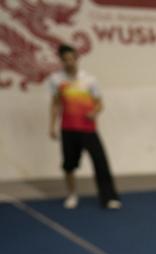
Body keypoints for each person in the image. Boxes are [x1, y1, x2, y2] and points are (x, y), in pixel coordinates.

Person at [48, 44, 121, 210]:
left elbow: (100, 104)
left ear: (76, 59)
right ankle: (72, 194)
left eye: (72, 59)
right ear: (61, 61)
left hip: (88, 129)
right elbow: (55, 105)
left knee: (100, 161)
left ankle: (109, 197)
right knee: (69, 164)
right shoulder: (56, 80)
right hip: (68, 129)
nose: (69, 62)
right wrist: (51, 126)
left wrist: (94, 112)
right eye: (65, 60)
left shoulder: (89, 79)